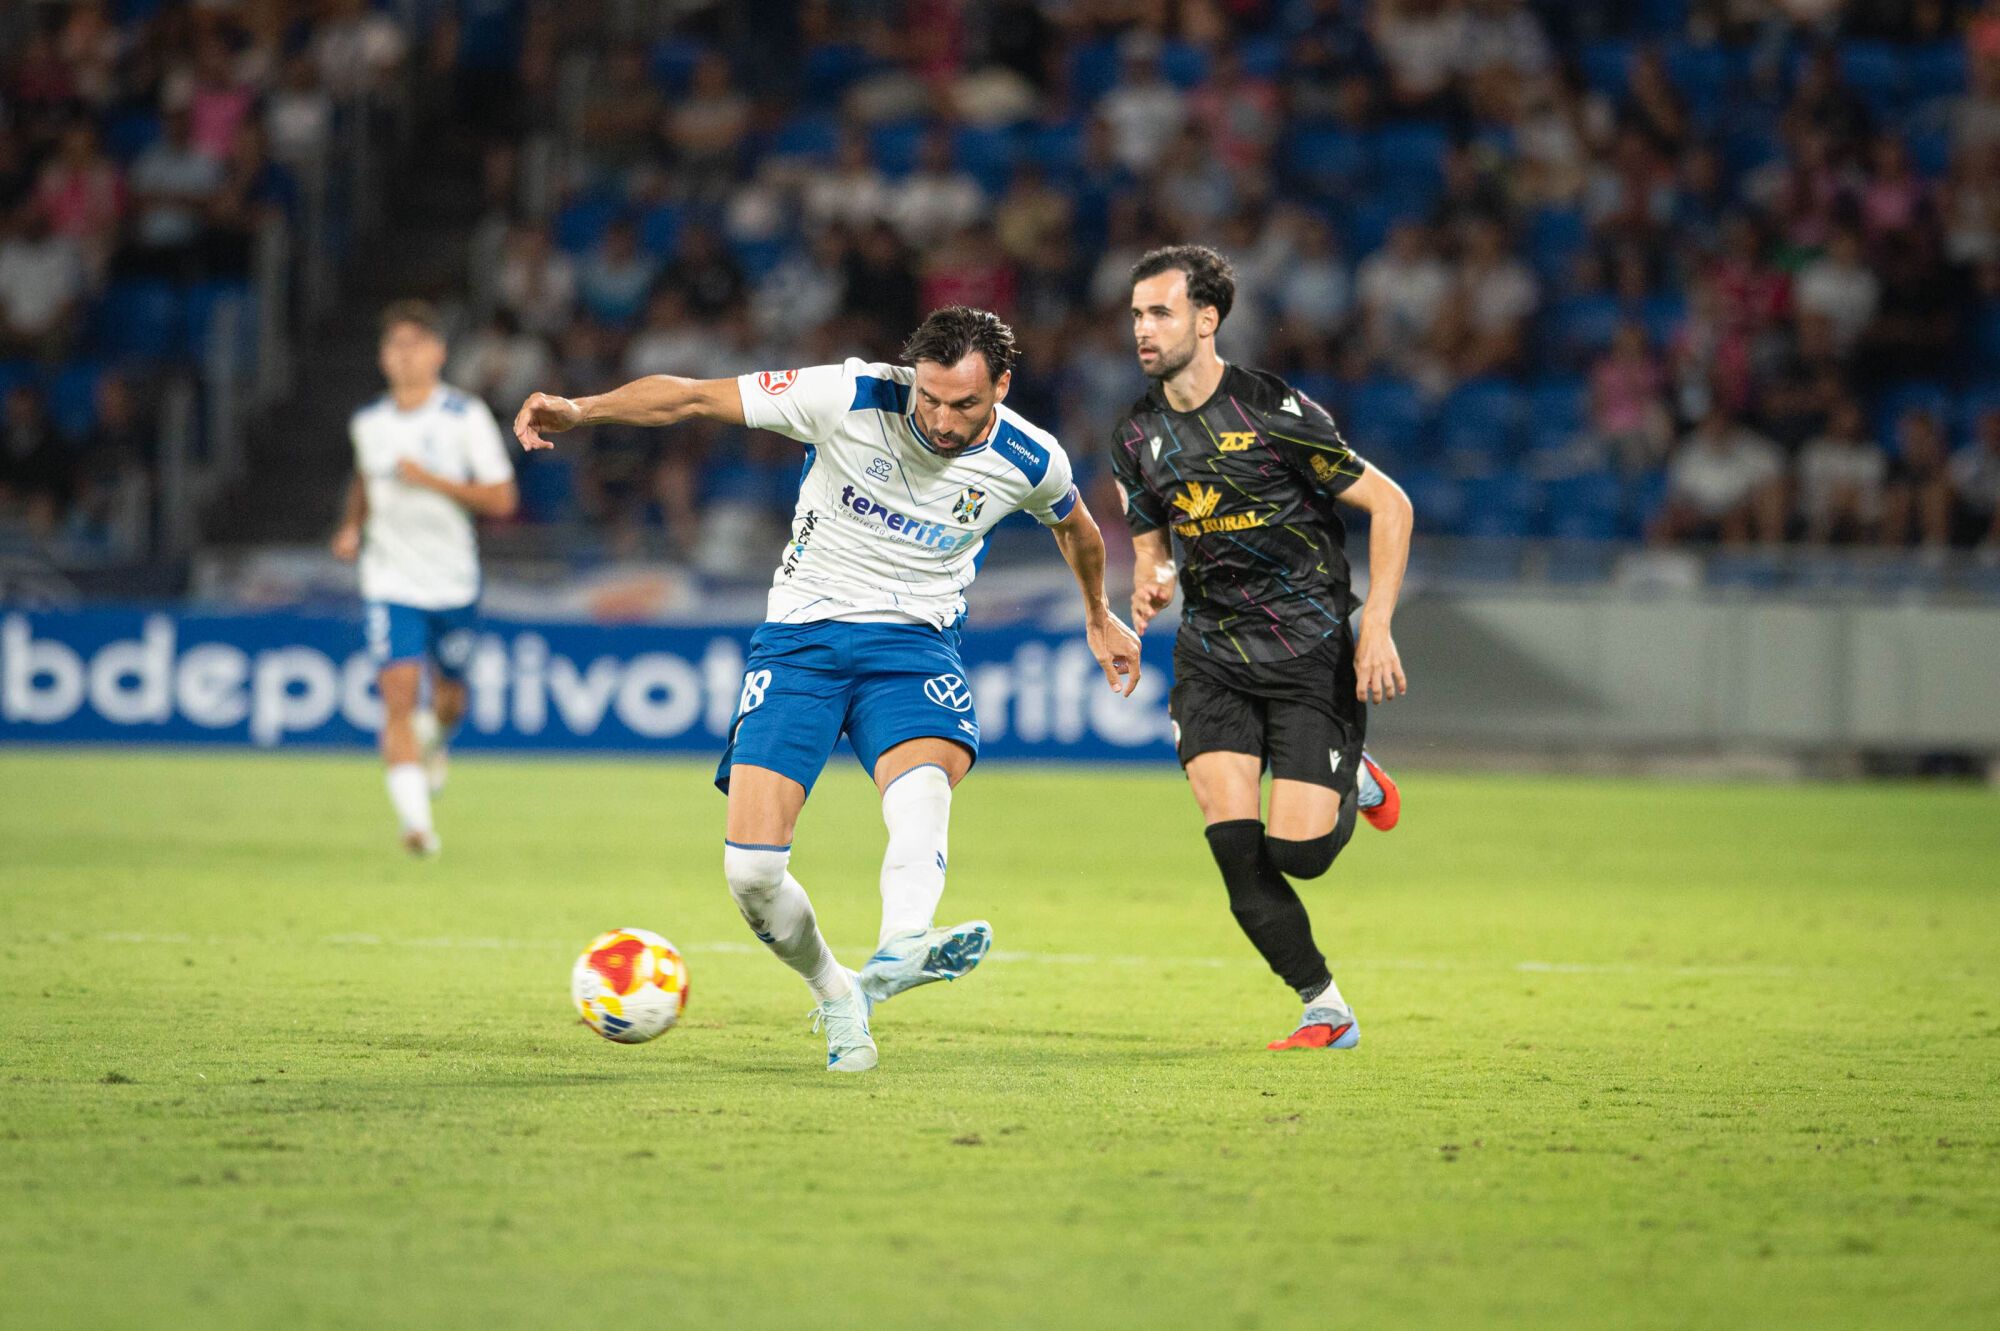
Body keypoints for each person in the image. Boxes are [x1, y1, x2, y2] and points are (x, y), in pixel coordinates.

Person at [512, 306, 1141, 1073]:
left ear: (1001, 387)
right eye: (930, 399)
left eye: (965, 404)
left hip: (914, 644)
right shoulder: (846, 395)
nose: (943, 421)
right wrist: (582, 409)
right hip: (801, 641)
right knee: (751, 875)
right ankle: (839, 993)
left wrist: (1098, 614)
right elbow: (692, 395)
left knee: (921, 786)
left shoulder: (1028, 457)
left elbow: (1077, 528)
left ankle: (905, 941)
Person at [1110, 245, 1414, 1053]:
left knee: (1299, 852)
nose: (1143, 329)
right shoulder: (1134, 434)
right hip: (1212, 657)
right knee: (1235, 848)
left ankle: (1353, 773)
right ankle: (1325, 1007)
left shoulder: (1273, 409)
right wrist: (1151, 580)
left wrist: (1377, 624)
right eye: (1137, 314)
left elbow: (1391, 506)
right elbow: (1150, 545)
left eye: (1161, 312)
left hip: (1309, 647)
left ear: (1207, 319)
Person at [330, 301, 519, 856]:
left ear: (438, 352)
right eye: (394, 345)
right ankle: (416, 825)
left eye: (415, 344)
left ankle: (433, 743)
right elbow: (365, 479)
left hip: (453, 581)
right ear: (382, 357)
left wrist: (431, 480)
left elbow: (502, 498)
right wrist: (352, 526)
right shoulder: (369, 422)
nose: (404, 355)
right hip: (390, 579)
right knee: (399, 699)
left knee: (450, 700)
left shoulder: (464, 416)